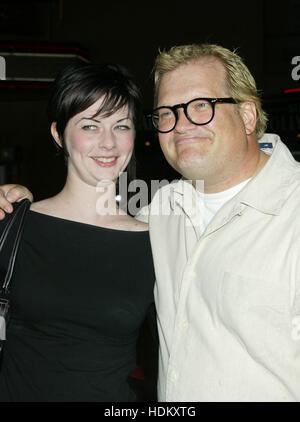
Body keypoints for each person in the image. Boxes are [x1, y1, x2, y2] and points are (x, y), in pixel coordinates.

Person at [2, 43, 300, 402]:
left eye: (201, 106)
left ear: (248, 116)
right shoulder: (161, 213)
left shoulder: (289, 211)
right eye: (168, 113)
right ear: (58, 134)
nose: (182, 124)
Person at [0, 62, 157, 402]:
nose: (108, 143)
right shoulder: (14, 224)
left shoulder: (156, 242)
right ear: (58, 134)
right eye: (90, 125)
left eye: (121, 126)